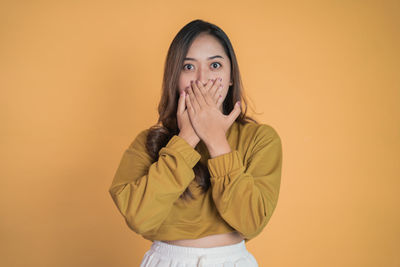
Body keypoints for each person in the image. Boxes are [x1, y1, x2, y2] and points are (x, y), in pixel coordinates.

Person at [108, 19, 283, 267]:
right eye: (188, 67)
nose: (202, 79)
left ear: (231, 76)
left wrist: (216, 141)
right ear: (175, 77)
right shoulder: (147, 142)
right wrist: (187, 137)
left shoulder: (260, 140)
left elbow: (252, 223)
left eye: (214, 65)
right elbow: (139, 218)